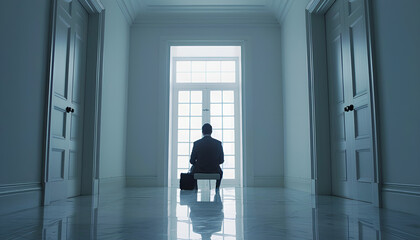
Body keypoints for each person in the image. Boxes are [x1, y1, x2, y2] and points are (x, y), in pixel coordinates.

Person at [189, 123, 224, 189]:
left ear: (202, 132)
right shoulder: (218, 143)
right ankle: (217, 189)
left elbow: (191, 161)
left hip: (200, 169)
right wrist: (214, 163)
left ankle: (195, 188)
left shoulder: (197, 143)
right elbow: (221, 160)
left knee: (192, 171)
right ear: (211, 131)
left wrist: (199, 164)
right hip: (214, 169)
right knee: (221, 172)